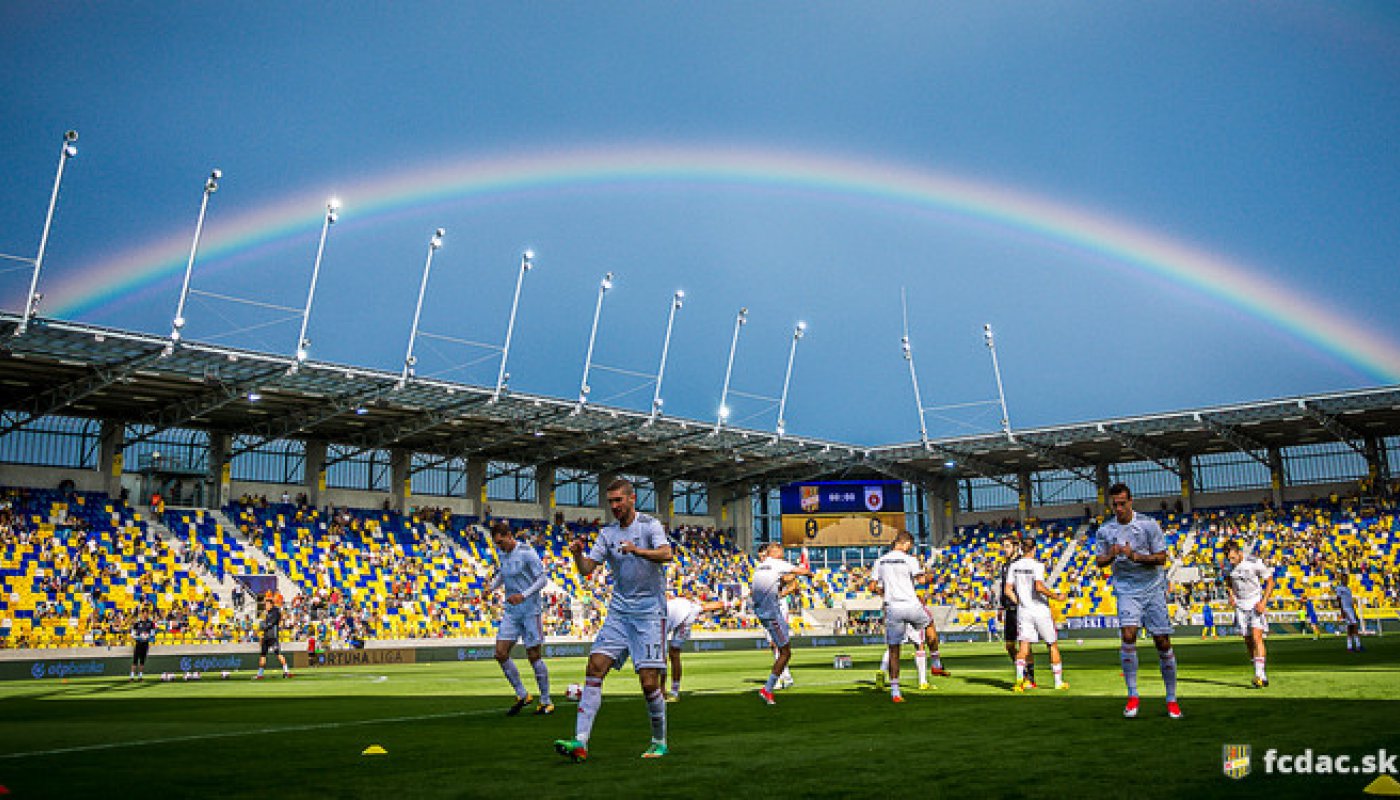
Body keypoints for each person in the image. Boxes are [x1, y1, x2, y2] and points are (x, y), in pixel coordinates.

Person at [554, 478, 673, 762]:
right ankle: (580, 742)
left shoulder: (649, 525)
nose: (615, 506)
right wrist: (578, 555)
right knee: (595, 667)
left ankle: (659, 741)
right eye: (611, 502)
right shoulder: (607, 534)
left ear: (632, 498)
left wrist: (637, 550)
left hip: (649, 612)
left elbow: (666, 554)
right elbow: (587, 570)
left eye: (619, 500)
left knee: (649, 683)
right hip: (619, 612)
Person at [1095, 483, 1180, 719]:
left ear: (1131, 501)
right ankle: (1133, 696)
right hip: (1126, 589)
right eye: (1115, 505)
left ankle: (1171, 699)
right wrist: (1112, 555)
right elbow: (1099, 561)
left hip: (1152, 588)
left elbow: (1161, 558)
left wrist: (1135, 556)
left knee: (1162, 641)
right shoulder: (1105, 530)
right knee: (1128, 634)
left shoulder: (1148, 525)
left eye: (1123, 503)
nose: (1119, 508)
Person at [489, 520, 553, 715]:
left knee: (533, 656)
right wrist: (490, 588)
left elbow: (542, 579)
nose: (499, 547)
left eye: (501, 542)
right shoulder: (502, 553)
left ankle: (546, 701)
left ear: (509, 536)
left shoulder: (527, 553)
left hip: (530, 611)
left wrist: (523, 595)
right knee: (500, 653)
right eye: (496, 544)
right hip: (512, 611)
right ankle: (522, 694)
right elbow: (502, 574)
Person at [869, 532, 935, 703]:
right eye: (910, 546)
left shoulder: (880, 561)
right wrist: (930, 574)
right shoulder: (909, 559)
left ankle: (894, 689)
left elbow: (872, 586)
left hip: (892, 608)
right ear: (906, 544)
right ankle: (932, 668)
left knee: (893, 649)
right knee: (924, 635)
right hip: (911, 605)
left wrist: (885, 593)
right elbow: (922, 581)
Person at [1006, 536, 1069, 691]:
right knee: (1052, 644)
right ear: (1034, 549)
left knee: (1024, 646)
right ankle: (1058, 682)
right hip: (1040, 610)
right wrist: (1056, 597)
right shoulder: (1037, 565)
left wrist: (1019, 601)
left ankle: (1019, 682)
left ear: (1021, 549)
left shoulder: (1014, 566)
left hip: (1024, 611)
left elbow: (1008, 590)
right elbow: (1039, 587)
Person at [750, 542, 811, 705]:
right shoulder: (777, 563)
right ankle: (768, 688)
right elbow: (802, 571)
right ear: (775, 552)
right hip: (772, 614)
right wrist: (807, 571)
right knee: (785, 652)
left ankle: (780, 680)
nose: (783, 553)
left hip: (762, 612)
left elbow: (781, 581)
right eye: (781, 550)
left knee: (779, 647)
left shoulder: (760, 567)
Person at [1224, 541, 1274, 687]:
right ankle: (1261, 674)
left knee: (1257, 637)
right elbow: (1228, 581)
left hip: (1255, 603)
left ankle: (1259, 675)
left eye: (1233, 558)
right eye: (1229, 559)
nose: (1231, 561)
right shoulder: (1227, 567)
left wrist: (1263, 602)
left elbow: (1270, 582)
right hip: (1240, 606)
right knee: (1248, 640)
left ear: (1239, 553)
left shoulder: (1254, 562)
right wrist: (1231, 595)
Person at [663, 594, 726, 701]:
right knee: (665, 654)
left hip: (686, 615)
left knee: (673, 653)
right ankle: (663, 690)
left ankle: (673, 691)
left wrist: (725, 605)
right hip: (682, 609)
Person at [996, 534, 1035, 687]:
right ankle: (1022, 671)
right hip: (1009, 610)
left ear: (1015, 547)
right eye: (1004, 546)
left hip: (1020, 609)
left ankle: (1029, 677)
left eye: (1007, 546)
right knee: (1009, 645)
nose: (1004, 549)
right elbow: (1003, 588)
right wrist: (1001, 606)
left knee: (1024, 645)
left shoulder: (1021, 563)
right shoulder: (1005, 565)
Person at [254, 594, 292, 679]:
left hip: (273, 637)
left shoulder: (275, 612)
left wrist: (263, 626)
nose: (265, 606)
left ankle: (286, 672)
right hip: (266, 636)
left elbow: (271, 623)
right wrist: (262, 633)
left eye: (267, 604)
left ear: (271, 604)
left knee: (278, 654)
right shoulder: (268, 613)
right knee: (263, 655)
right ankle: (260, 674)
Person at [1336, 576, 1364, 652]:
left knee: (1350, 628)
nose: (1345, 580)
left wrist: (1354, 611)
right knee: (1354, 626)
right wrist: (1342, 611)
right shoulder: (1339, 588)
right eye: (1344, 579)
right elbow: (1338, 600)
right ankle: (1358, 646)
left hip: (1350, 609)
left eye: (1346, 579)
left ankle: (1350, 647)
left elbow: (1350, 601)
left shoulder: (1348, 589)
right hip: (1346, 609)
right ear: (1341, 580)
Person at [129, 607, 156, 681]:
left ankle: (140, 677)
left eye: (147, 613)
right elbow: (132, 634)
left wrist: (148, 636)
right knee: (135, 660)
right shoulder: (137, 623)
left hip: (145, 643)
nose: (146, 615)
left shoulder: (151, 623)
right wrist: (139, 637)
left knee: (142, 661)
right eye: (145, 613)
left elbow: (153, 634)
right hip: (138, 643)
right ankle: (132, 677)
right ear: (142, 614)